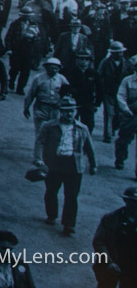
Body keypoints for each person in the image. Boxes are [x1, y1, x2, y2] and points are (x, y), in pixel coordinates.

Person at [33, 95, 97, 236]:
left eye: (72, 111)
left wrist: (93, 164)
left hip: (74, 166)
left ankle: (69, 224)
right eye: (66, 111)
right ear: (60, 111)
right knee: (51, 191)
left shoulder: (82, 128)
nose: (69, 114)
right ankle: (52, 215)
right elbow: (40, 142)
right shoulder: (49, 126)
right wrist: (38, 159)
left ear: (75, 112)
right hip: (54, 164)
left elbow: (89, 147)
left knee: (72, 196)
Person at [92, 186, 137, 288]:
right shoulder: (110, 219)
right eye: (133, 202)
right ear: (125, 200)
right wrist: (109, 262)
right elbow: (99, 242)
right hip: (112, 262)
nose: (135, 206)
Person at [23, 57, 70, 135]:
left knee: (53, 131)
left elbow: (67, 93)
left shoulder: (62, 79)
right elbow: (31, 94)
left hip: (55, 109)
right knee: (40, 131)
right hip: (41, 107)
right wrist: (26, 107)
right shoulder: (38, 78)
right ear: (46, 67)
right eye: (51, 68)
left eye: (56, 69)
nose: (53, 70)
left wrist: (61, 103)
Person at [100, 42, 130, 142]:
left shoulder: (126, 63)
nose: (119, 54)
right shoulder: (105, 62)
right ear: (112, 53)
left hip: (122, 93)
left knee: (119, 114)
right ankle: (107, 135)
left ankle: (114, 129)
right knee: (109, 113)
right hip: (108, 91)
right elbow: (99, 76)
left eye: (120, 52)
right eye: (116, 52)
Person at [115, 57, 137, 175]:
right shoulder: (127, 81)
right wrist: (125, 109)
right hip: (130, 115)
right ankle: (120, 159)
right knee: (123, 139)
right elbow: (121, 95)